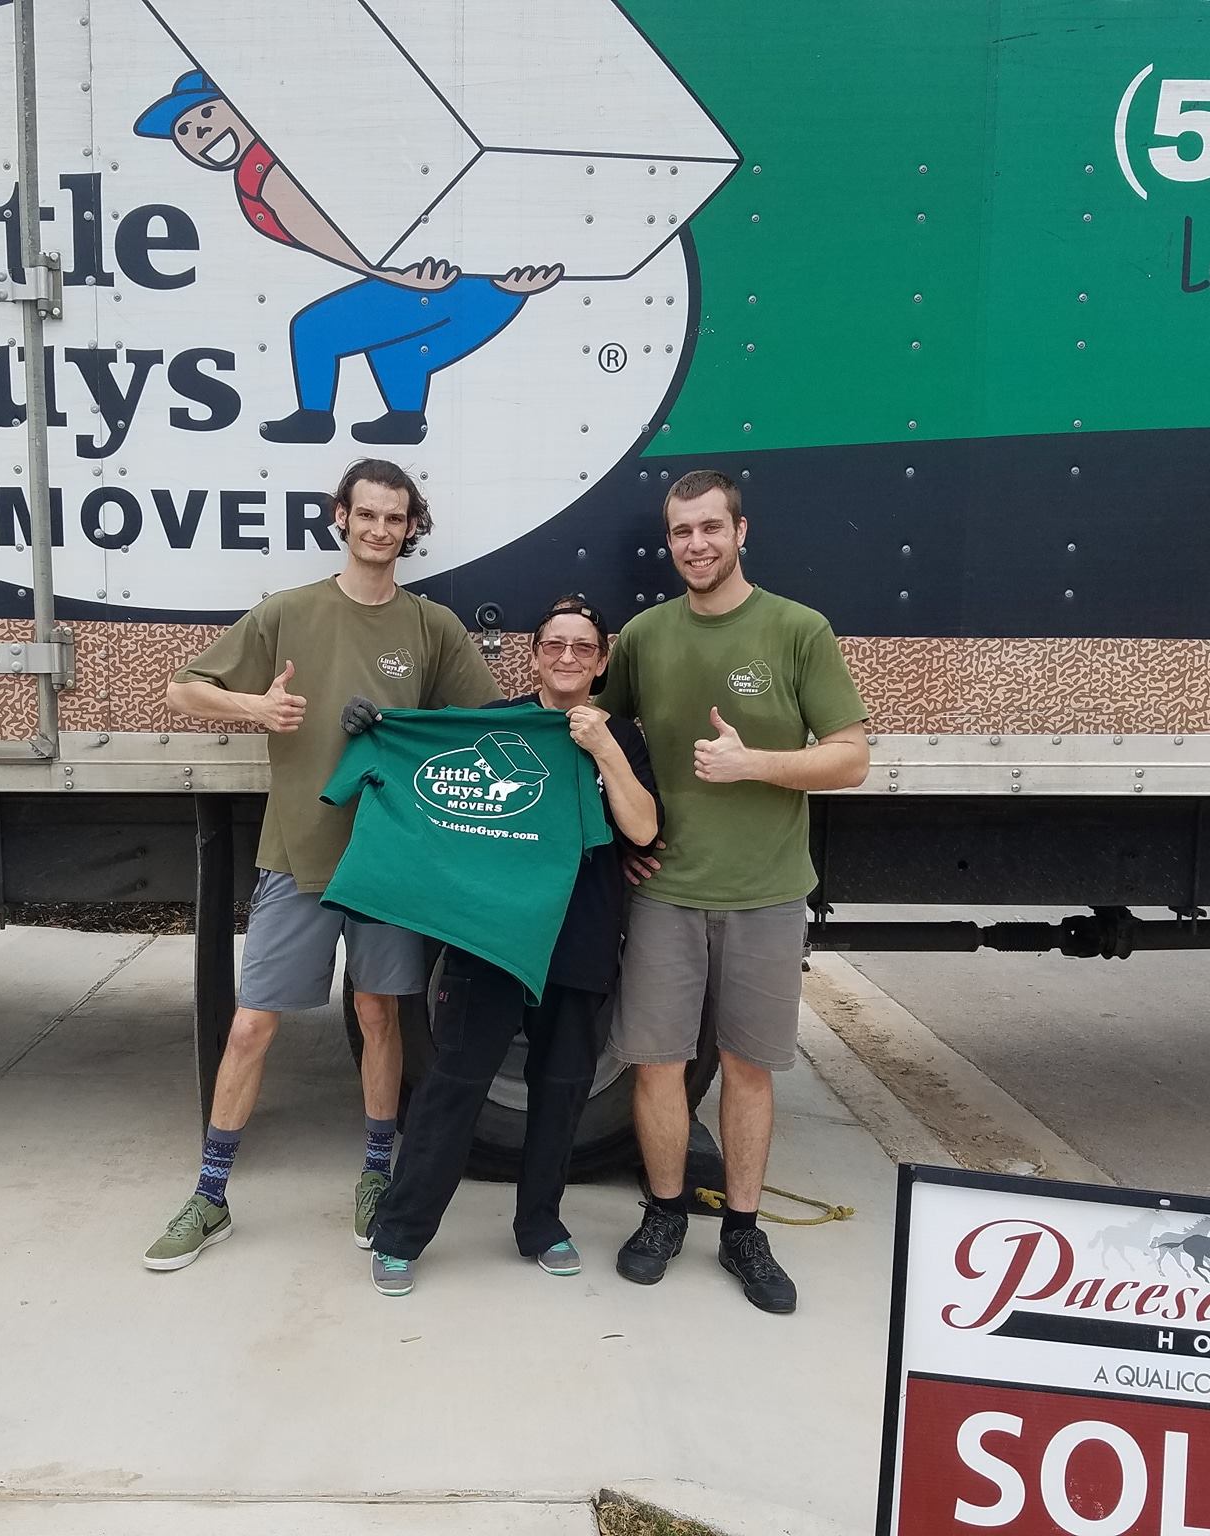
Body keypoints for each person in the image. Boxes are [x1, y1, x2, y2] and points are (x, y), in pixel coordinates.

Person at [143, 459, 499, 1270]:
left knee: (379, 1018)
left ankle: (376, 1173)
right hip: (298, 856)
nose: (379, 530)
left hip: (389, 865)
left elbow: (482, 726)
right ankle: (209, 1194)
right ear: (341, 517)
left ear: (413, 527)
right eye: (366, 514)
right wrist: (255, 707)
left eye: (395, 518)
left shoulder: (430, 625)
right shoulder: (286, 613)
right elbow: (182, 690)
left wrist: (408, 730)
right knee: (253, 1024)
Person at [595, 469, 870, 1313]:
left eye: (711, 528)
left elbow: (852, 757)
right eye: (682, 532)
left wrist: (755, 763)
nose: (696, 545)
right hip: (667, 893)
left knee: (750, 1070)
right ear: (668, 541)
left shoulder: (797, 631)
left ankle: (743, 1231)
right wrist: (618, 849)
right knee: (657, 1067)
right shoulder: (644, 635)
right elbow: (595, 739)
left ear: (741, 532)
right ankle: (665, 1212)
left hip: (766, 893)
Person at [360, 597, 661, 1296]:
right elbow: (426, 767)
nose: (566, 657)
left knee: (561, 1091)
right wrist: (374, 730)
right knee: (455, 1082)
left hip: (580, 939)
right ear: (532, 655)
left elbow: (643, 830)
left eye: (582, 648)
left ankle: (541, 1226)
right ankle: (401, 1232)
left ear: (602, 661)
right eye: (554, 644)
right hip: (492, 937)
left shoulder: (622, 737)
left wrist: (605, 747)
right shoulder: (498, 725)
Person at [133, 70, 562, 445]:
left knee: (313, 329)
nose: (199, 133)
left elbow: (324, 232)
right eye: (184, 131)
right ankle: (406, 420)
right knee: (398, 352)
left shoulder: (274, 166)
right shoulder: (258, 165)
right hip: (448, 277)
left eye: (206, 114)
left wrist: (389, 274)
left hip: (440, 278)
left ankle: (316, 419)